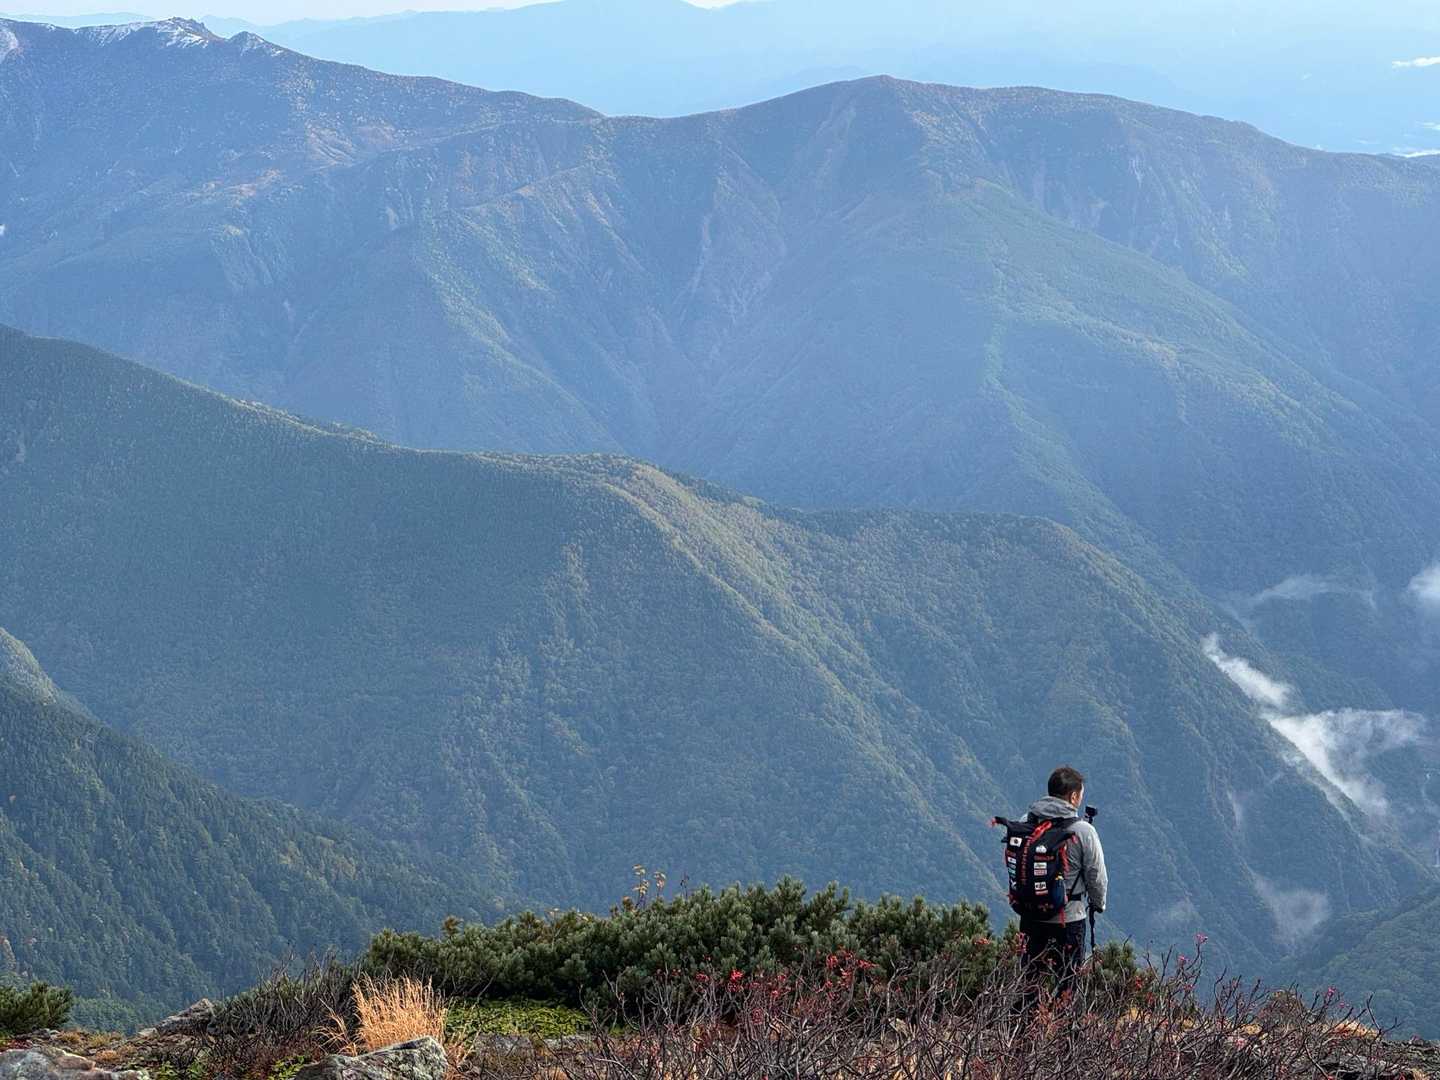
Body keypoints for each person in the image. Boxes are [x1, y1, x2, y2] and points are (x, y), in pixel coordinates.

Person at [1018, 765, 1108, 993]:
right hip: (1068, 919)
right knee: (1068, 987)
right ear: (1074, 796)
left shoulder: (1025, 822)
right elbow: (1096, 875)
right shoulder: (1083, 830)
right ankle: (1063, 1017)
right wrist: (1098, 903)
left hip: (1031, 916)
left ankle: (1023, 1017)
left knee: (1028, 985)